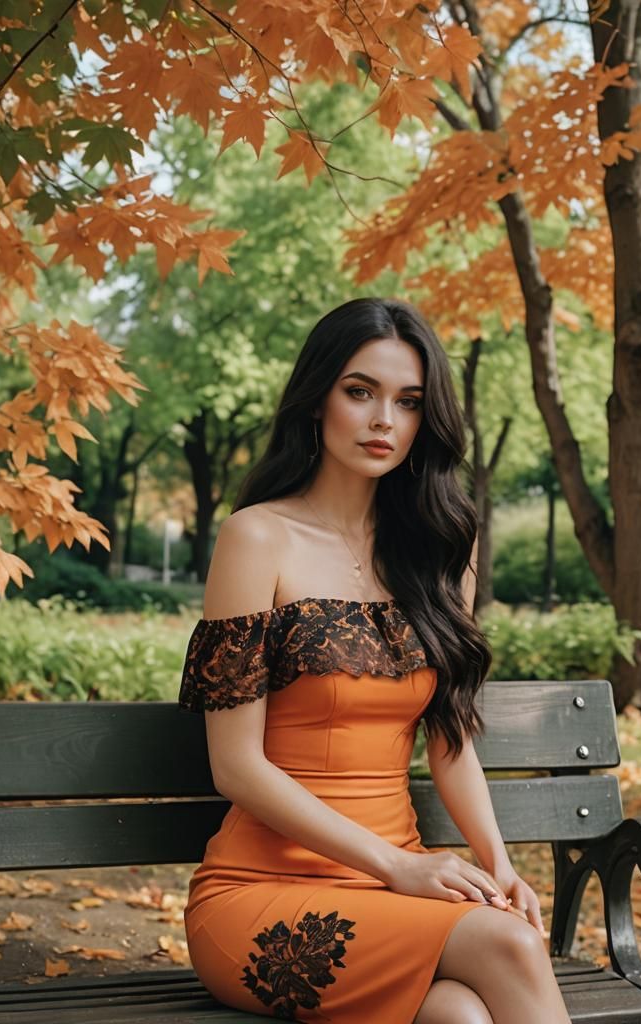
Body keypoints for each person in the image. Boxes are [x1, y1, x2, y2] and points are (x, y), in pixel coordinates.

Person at [178, 297, 573, 1024]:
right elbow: (235, 766)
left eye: (408, 401)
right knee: (512, 947)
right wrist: (398, 864)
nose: (384, 419)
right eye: (360, 392)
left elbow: (451, 737)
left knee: (459, 1016)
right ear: (317, 398)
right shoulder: (256, 539)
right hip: (259, 895)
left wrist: (498, 864)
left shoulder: (441, 548)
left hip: (398, 890)